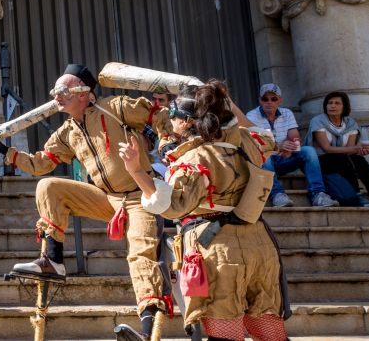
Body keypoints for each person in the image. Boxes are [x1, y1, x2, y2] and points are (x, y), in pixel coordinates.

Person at [3, 64, 172, 339]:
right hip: (106, 198)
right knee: (49, 186)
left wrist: (166, 142)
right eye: (54, 92)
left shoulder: (116, 107)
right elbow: (40, 164)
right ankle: (54, 261)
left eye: (63, 91)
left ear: (84, 94)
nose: (56, 96)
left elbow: (159, 115)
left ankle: (147, 330)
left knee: (140, 254)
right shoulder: (67, 131)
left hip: (141, 194)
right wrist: (6, 152)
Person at [118, 81, 289, 341]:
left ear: (186, 122)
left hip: (217, 251)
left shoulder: (193, 159)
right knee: (269, 329)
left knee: (225, 333)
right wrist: (225, 100)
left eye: (173, 115)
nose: (170, 120)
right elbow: (265, 134)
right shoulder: (246, 143)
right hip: (260, 246)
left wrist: (135, 170)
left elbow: (173, 206)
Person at [245, 84, 338, 208]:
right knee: (262, 156)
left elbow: (294, 136)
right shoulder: (251, 116)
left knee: (309, 151)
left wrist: (291, 148)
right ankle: (277, 195)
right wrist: (278, 147)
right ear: (259, 100)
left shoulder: (286, 113)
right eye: (265, 99)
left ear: (280, 100)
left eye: (273, 99)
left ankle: (318, 194)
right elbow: (255, 142)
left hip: (285, 157)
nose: (269, 102)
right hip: (265, 161)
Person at [306, 91, 369, 206]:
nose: (332, 106)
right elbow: (327, 148)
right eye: (330, 103)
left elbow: (349, 150)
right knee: (342, 159)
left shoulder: (350, 123)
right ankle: (356, 194)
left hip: (341, 160)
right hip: (320, 161)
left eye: (337, 103)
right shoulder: (318, 121)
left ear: (344, 107)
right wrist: (355, 149)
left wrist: (359, 150)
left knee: (358, 160)